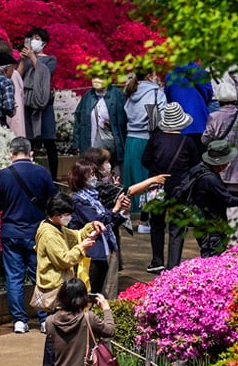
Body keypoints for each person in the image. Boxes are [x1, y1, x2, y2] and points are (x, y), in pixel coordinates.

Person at [35, 193, 104, 366]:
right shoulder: (49, 234)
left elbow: (76, 235)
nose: (69, 218)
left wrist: (91, 227)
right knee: (54, 329)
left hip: (62, 287)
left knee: (58, 328)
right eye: (66, 214)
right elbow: (64, 260)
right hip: (55, 287)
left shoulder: (57, 227)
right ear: (56, 213)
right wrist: (82, 248)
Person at [0, 137, 57, 334]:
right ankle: (45, 319)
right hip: (37, 232)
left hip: (11, 232)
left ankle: (19, 320)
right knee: (40, 275)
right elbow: (52, 201)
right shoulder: (41, 172)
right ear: (31, 153)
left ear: (11, 153)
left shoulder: (3, 175)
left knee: (14, 278)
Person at [142, 103, 203, 272]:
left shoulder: (155, 139)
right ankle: (173, 266)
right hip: (180, 189)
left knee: (157, 224)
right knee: (177, 228)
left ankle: (157, 261)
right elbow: (195, 165)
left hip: (156, 187)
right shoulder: (188, 142)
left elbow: (145, 161)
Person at [186, 140, 238, 257]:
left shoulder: (200, 169)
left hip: (204, 224)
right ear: (219, 163)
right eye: (226, 162)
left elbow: (218, 192)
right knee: (212, 258)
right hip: (211, 228)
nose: (228, 164)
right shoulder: (210, 178)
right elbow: (227, 200)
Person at [67, 160, 129, 295]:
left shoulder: (94, 198)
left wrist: (123, 212)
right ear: (80, 177)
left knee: (103, 291)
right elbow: (97, 221)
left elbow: (109, 222)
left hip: (104, 249)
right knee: (91, 290)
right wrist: (115, 209)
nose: (94, 177)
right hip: (90, 254)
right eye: (90, 175)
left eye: (94, 174)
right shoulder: (78, 200)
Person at [122, 68, 167, 233]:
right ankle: (144, 221)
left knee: (132, 180)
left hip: (131, 139)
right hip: (148, 139)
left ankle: (125, 214)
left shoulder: (129, 90)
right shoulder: (156, 93)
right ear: (150, 75)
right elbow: (157, 119)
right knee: (149, 180)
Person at [201, 81, 238, 232]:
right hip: (237, 161)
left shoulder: (214, 116)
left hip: (218, 161)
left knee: (218, 196)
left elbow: (205, 138)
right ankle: (234, 236)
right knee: (233, 196)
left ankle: (219, 230)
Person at [18, 28, 59, 177]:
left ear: (44, 43)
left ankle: (53, 176)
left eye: (37, 38)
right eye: (31, 38)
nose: (34, 41)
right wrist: (23, 59)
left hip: (43, 104)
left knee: (49, 141)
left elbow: (44, 73)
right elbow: (18, 76)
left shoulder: (50, 59)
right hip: (27, 103)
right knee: (28, 140)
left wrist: (33, 57)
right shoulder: (27, 59)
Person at [73, 76, 127, 175]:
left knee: (115, 171)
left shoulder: (117, 95)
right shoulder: (87, 96)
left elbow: (126, 119)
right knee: (93, 169)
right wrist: (77, 142)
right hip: (92, 141)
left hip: (113, 144)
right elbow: (78, 118)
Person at [163, 62, 213, 135]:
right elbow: (209, 94)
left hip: (179, 123)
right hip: (201, 121)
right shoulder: (202, 74)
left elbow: (168, 99)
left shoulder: (170, 77)